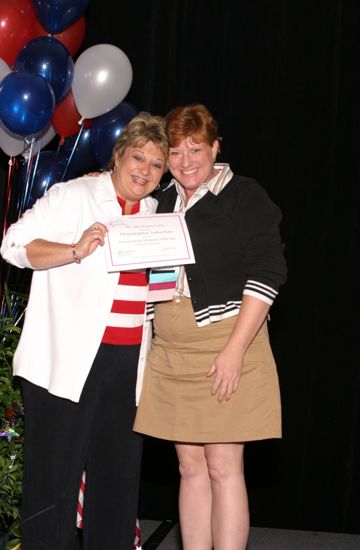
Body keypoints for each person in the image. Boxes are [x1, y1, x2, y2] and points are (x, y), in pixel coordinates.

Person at [0, 112, 169, 550]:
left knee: (116, 486)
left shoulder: (156, 214)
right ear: (118, 156)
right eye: (138, 158)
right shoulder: (72, 196)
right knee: (52, 487)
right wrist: (75, 249)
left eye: (155, 165)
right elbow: (13, 245)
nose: (144, 171)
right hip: (66, 363)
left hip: (127, 365)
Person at [134, 104, 287, 550]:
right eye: (176, 152)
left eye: (195, 149)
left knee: (223, 466)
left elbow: (268, 272)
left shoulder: (243, 195)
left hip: (227, 340)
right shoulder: (160, 202)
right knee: (189, 467)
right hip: (171, 348)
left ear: (215, 147)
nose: (185, 161)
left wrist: (234, 352)